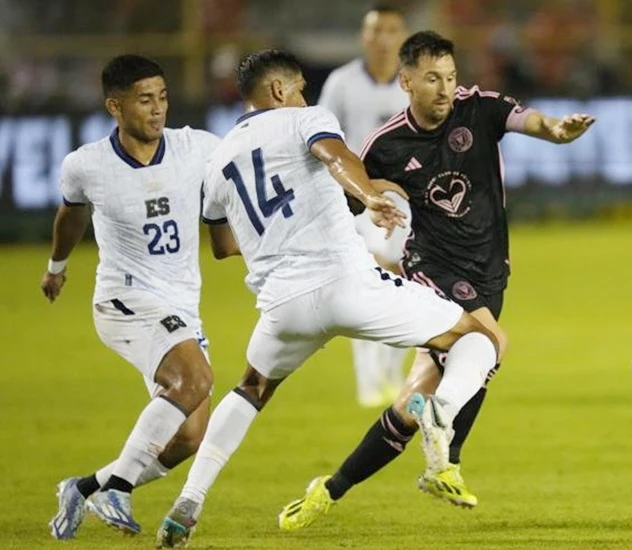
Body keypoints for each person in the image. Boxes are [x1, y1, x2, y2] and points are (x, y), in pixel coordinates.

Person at [154, 49, 500, 548]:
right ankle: (441, 411)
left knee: (250, 389)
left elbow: (223, 247)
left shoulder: (218, 161)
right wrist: (368, 195)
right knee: (477, 339)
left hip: (282, 306)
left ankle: (189, 502)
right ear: (279, 91)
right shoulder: (305, 119)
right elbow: (334, 156)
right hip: (348, 284)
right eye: (297, 89)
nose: (303, 97)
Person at [278, 30, 595, 529]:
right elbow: (347, 195)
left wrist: (557, 129)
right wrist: (375, 197)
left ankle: (328, 490)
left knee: (413, 401)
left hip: (490, 269)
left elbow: (529, 119)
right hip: (434, 266)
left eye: (450, 76)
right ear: (407, 82)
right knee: (488, 342)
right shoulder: (385, 144)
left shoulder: (478, 107)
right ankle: (446, 460)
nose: (446, 88)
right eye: (433, 78)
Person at [42, 54, 238, 539]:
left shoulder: (197, 148)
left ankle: (85, 487)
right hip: (124, 300)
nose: (158, 109)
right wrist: (56, 267)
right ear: (115, 105)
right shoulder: (86, 165)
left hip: (180, 306)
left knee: (190, 436)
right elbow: (72, 218)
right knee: (195, 379)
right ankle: (120, 487)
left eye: (163, 97)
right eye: (145, 99)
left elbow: (244, 165)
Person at [318, 3, 411, 407]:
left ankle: (391, 375)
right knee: (371, 279)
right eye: (377, 30)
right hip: (359, 201)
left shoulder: (412, 84)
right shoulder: (341, 83)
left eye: (392, 30)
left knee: (409, 288)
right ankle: (368, 381)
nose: (384, 38)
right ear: (365, 36)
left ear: (402, 37)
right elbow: (321, 142)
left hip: (409, 202)